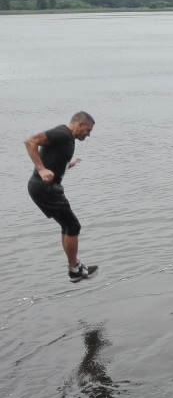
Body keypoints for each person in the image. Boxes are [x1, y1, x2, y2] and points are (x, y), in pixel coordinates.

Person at [25, 111, 99, 283]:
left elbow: (53, 159)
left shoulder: (67, 138)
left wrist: (67, 165)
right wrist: (41, 169)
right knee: (73, 226)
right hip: (44, 188)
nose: (88, 135)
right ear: (80, 125)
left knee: (67, 226)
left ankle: (74, 267)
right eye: (88, 130)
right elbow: (30, 141)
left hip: (47, 188)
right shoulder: (61, 134)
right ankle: (74, 269)